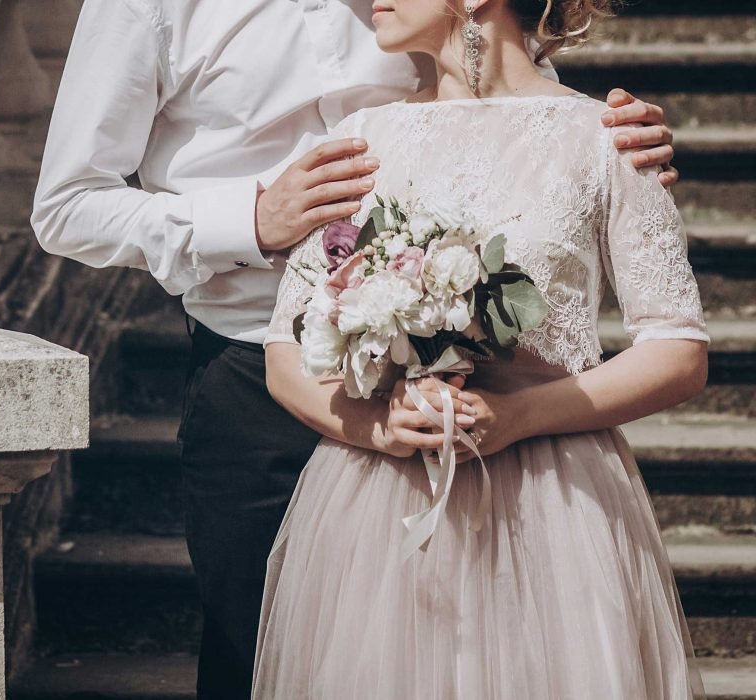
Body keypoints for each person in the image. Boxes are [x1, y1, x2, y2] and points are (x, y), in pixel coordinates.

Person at [30, 2, 680, 697]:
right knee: (258, 666)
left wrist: (603, 137)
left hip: (470, 386)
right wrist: (248, 220)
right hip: (260, 378)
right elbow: (66, 205)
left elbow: (491, 74)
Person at [255, 0, 709, 698]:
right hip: (382, 503)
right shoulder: (358, 141)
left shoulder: (607, 137)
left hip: (554, 501)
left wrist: (520, 417)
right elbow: (284, 354)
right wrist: (379, 424)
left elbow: (677, 347)